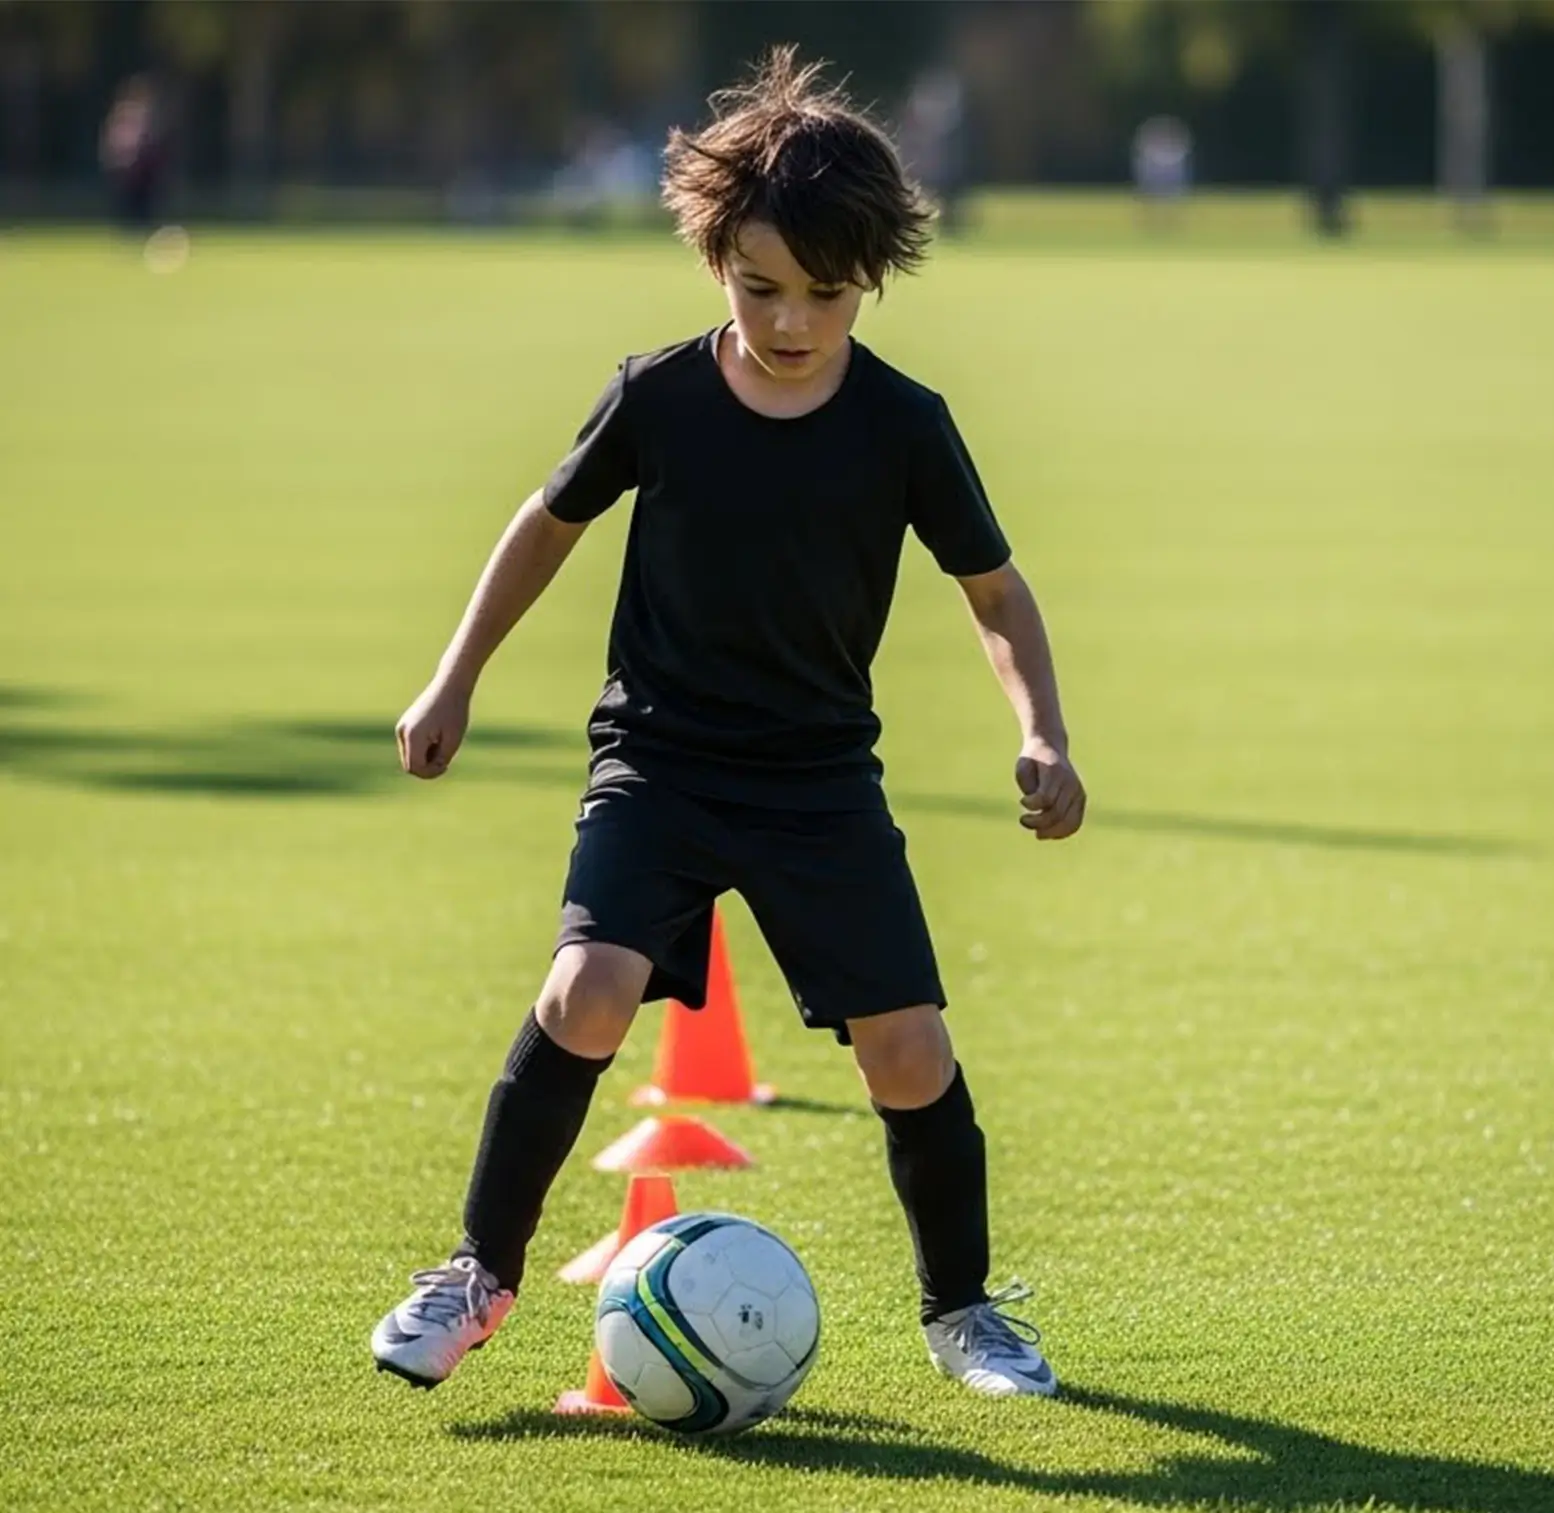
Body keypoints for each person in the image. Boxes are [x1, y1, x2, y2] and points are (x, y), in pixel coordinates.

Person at [372, 47, 1086, 1401]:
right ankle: (476, 1273)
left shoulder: (904, 426)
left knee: (909, 1050)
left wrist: (1042, 730)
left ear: (871, 278)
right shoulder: (658, 396)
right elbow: (546, 527)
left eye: (826, 293)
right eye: (762, 288)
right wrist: (453, 678)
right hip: (658, 763)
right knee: (584, 992)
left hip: (818, 781)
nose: (792, 320)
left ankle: (964, 1315)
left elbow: (995, 593)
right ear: (714, 259)